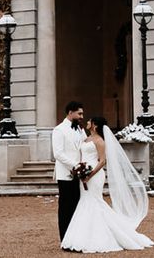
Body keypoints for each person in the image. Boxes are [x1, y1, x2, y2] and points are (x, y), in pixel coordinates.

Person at [61, 116, 154, 253]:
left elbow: (102, 161)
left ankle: (100, 238)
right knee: (85, 201)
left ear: (94, 125)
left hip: (95, 174)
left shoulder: (100, 141)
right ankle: (82, 237)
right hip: (84, 174)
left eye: (89, 121)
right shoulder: (85, 139)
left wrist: (90, 174)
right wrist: (79, 170)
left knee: (94, 201)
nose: (87, 122)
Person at [52, 100, 86, 242]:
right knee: (66, 207)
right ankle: (65, 239)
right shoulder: (59, 130)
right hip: (65, 174)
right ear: (70, 113)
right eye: (79, 113)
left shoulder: (80, 129)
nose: (82, 116)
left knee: (78, 205)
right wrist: (75, 165)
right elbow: (58, 153)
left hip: (80, 174)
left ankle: (76, 237)